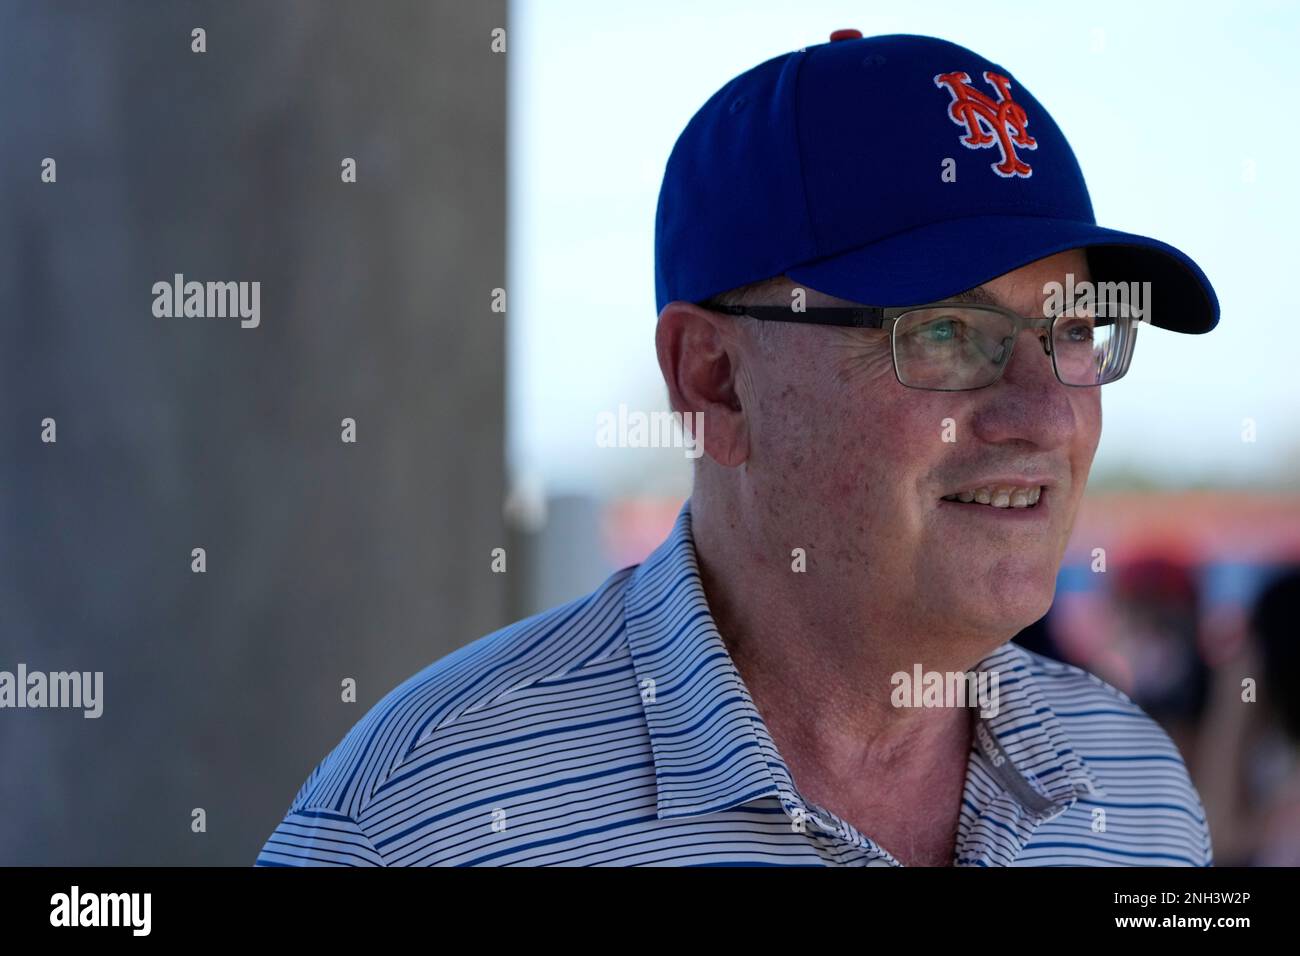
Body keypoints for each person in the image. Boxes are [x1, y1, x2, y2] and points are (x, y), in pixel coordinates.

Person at [258, 31, 1218, 866]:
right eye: (943, 332)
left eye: (1078, 329)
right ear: (712, 381)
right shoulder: (422, 825)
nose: (1048, 416)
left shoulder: (1137, 798)